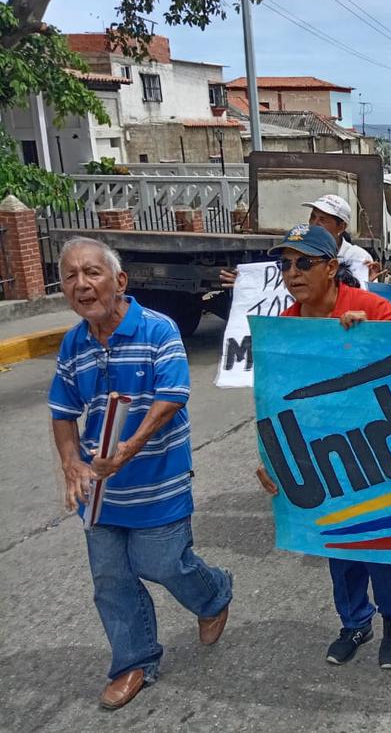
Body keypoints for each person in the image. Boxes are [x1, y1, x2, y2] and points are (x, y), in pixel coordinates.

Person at [48, 237, 232, 710]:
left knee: (164, 562)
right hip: (100, 489)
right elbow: (63, 411)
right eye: (71, 275)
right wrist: (72, 461)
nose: (81, 284)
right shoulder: (74, 343)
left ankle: (213, 596)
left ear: (119, 281)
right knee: (110, 579)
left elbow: (171, 398)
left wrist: (127, 450)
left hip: (158, 479)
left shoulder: (158, 329)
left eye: (92, 272)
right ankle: (134, 661)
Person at [253, 223, 391, 668]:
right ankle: (354, 622)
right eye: (285, 264)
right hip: (320, 454)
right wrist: (269, 458)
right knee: (336, 544)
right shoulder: (285, 327)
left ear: (330, 267)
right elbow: (272, 397)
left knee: (379, 541)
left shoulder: (372, 307)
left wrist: (368, 341)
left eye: (304, 262)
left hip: (374, 450)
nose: (292, 272)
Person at [219, 193, 375, 289]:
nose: (314, 223)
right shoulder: (296, 253)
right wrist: (251, 284)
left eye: (323, 219)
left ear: (341, 226)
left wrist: (364, 282)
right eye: (313, 217)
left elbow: (358, 295)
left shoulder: (357, 257)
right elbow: (280, 281)